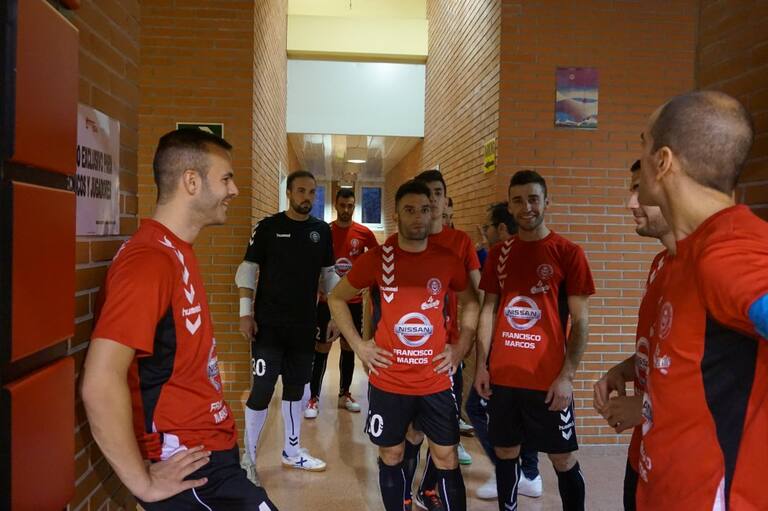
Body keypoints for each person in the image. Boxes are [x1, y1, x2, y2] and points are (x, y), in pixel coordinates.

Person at [81, 129, 278, 510]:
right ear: (191, 181)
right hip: (189, 466)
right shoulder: (148, 262)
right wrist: (143, 483)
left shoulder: (175, 250)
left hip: (210, 454)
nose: (234, 190)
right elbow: (100, 382)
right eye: (226, 178)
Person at [634, 91, 768, 510]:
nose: (639, 161)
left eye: (643, 144)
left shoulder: (729, 252)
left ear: (663, 161)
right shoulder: (688, 251)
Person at [328, 179, 480, 511]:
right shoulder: (377, 257)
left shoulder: (447, 259)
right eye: (409, 210)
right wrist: (359, 345)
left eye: (424, 209)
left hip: (434, 379)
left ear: (433, 212)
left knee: (446, 456)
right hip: (389, 379)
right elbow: (336, 298)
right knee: (392, 452)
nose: (417, 217)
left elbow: (471, 302)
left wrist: (461, 346)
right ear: (397, 215)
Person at [474, 170, 595, 511]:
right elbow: (488, 311)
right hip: (503, 378)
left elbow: (581, 321)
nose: (526, 207)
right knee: (505, 451)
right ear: (510, 206)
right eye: (518, 200)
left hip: (548, 380)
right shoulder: (499, 253)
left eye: (533, 199)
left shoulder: (568, 252)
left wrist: (567, 376)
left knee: (562, 458)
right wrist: (482, 366)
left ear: (546, 202)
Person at [236, 170, 337, 473]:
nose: (307, 197)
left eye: (312, 192)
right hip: (268, 326)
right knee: (262, 390)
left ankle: (292, 451)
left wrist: (334, 315)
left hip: (304, 326)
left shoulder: (321, 231)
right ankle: (249, 459)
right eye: (301, 191)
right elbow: (248, 269)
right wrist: (245, 314)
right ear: (289, 193)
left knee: (297, 389)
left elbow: (329, 276)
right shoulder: (268, 227)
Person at [592, 160, 675, 511]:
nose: (631, 203)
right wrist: (623, 371)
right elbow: (663, 353)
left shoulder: (710, 273)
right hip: (641, 455)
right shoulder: (659, 264)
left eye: (640, 190)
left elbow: (731, 387)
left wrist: (646, 407)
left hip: (681, 471)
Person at [396, 170, 481, 509]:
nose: (432, 199)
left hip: (447, 353)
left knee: (443, 431)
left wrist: (464, 346)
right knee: (412, 431)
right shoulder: (405, 240)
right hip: (409, 354)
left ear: (445, 201)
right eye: (427, 193)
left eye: (438, 193)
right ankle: (404, 490)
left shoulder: (460, 242)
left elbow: (477, 295)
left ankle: (428, 488)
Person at [466, 201, 542, 501]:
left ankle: (509, 470)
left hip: (508, 350)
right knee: (521, 413)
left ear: (500, 229)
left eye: (488, 227)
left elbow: (486, 303)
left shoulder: (501, 258)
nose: (485, 232)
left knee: (476, 407)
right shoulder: (508, 255)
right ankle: (529, 473)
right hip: (521, 351)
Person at [305, 187, 378, 419]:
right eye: (342, 205)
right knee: (322, 348)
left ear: (354, 206)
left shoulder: (364, 233)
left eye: (350, 206)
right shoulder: (324, 231)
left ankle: (345, 393)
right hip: (327, 301)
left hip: (352, 302)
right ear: (335, 205)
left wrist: (368, 281)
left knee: (349, 347)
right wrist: (318, 284)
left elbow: (379, 260)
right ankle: (313, 397)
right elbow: (313, 262)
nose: (346, 210)